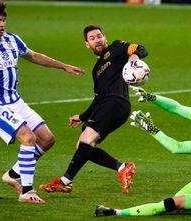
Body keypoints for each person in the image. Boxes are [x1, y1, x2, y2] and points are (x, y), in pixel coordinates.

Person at [0, 1, 84, 204]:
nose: (1, 24)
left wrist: (64, 66)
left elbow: (35, 56)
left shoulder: (12, 40)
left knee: (47, 139)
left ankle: (13, 174)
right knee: (28, 138)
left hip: (16, 102)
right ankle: (27, 192)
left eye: (3, 20)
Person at [95, 86, 191, 216]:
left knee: (171, 204)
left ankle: (117, 212)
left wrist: (152, 129)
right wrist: (151, 97)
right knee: (173, 207)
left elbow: (177, 148)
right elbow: (177, 108)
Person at [39, 25, 148, 194]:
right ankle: (123, 168)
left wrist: (133, 58)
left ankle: (64, 181)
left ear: (105, 37)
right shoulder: (96, 70)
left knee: (86, 141)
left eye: (99, 36)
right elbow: (98, 98)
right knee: (82, 146)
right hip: (107, 105)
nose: (97, 40)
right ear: (87, 44)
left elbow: (140, 48)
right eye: (92, 38)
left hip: (116, 103)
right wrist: (82, 117)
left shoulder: (117, 47)